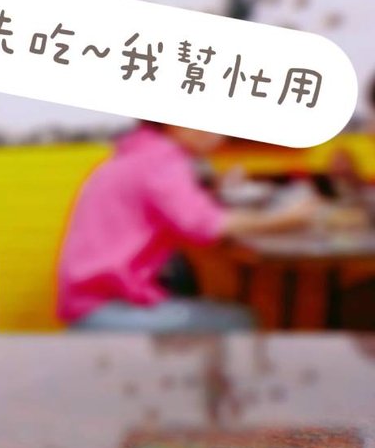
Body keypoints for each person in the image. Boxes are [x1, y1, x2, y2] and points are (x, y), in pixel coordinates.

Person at [57, 122, 315, 333]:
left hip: (88, 302)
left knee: (200, 292)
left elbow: (185, 215)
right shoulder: (162, 160)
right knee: (239, 320)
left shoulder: (138, 151)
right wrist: (289, 218)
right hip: (105, 310)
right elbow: (204, 225)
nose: (218, 135)